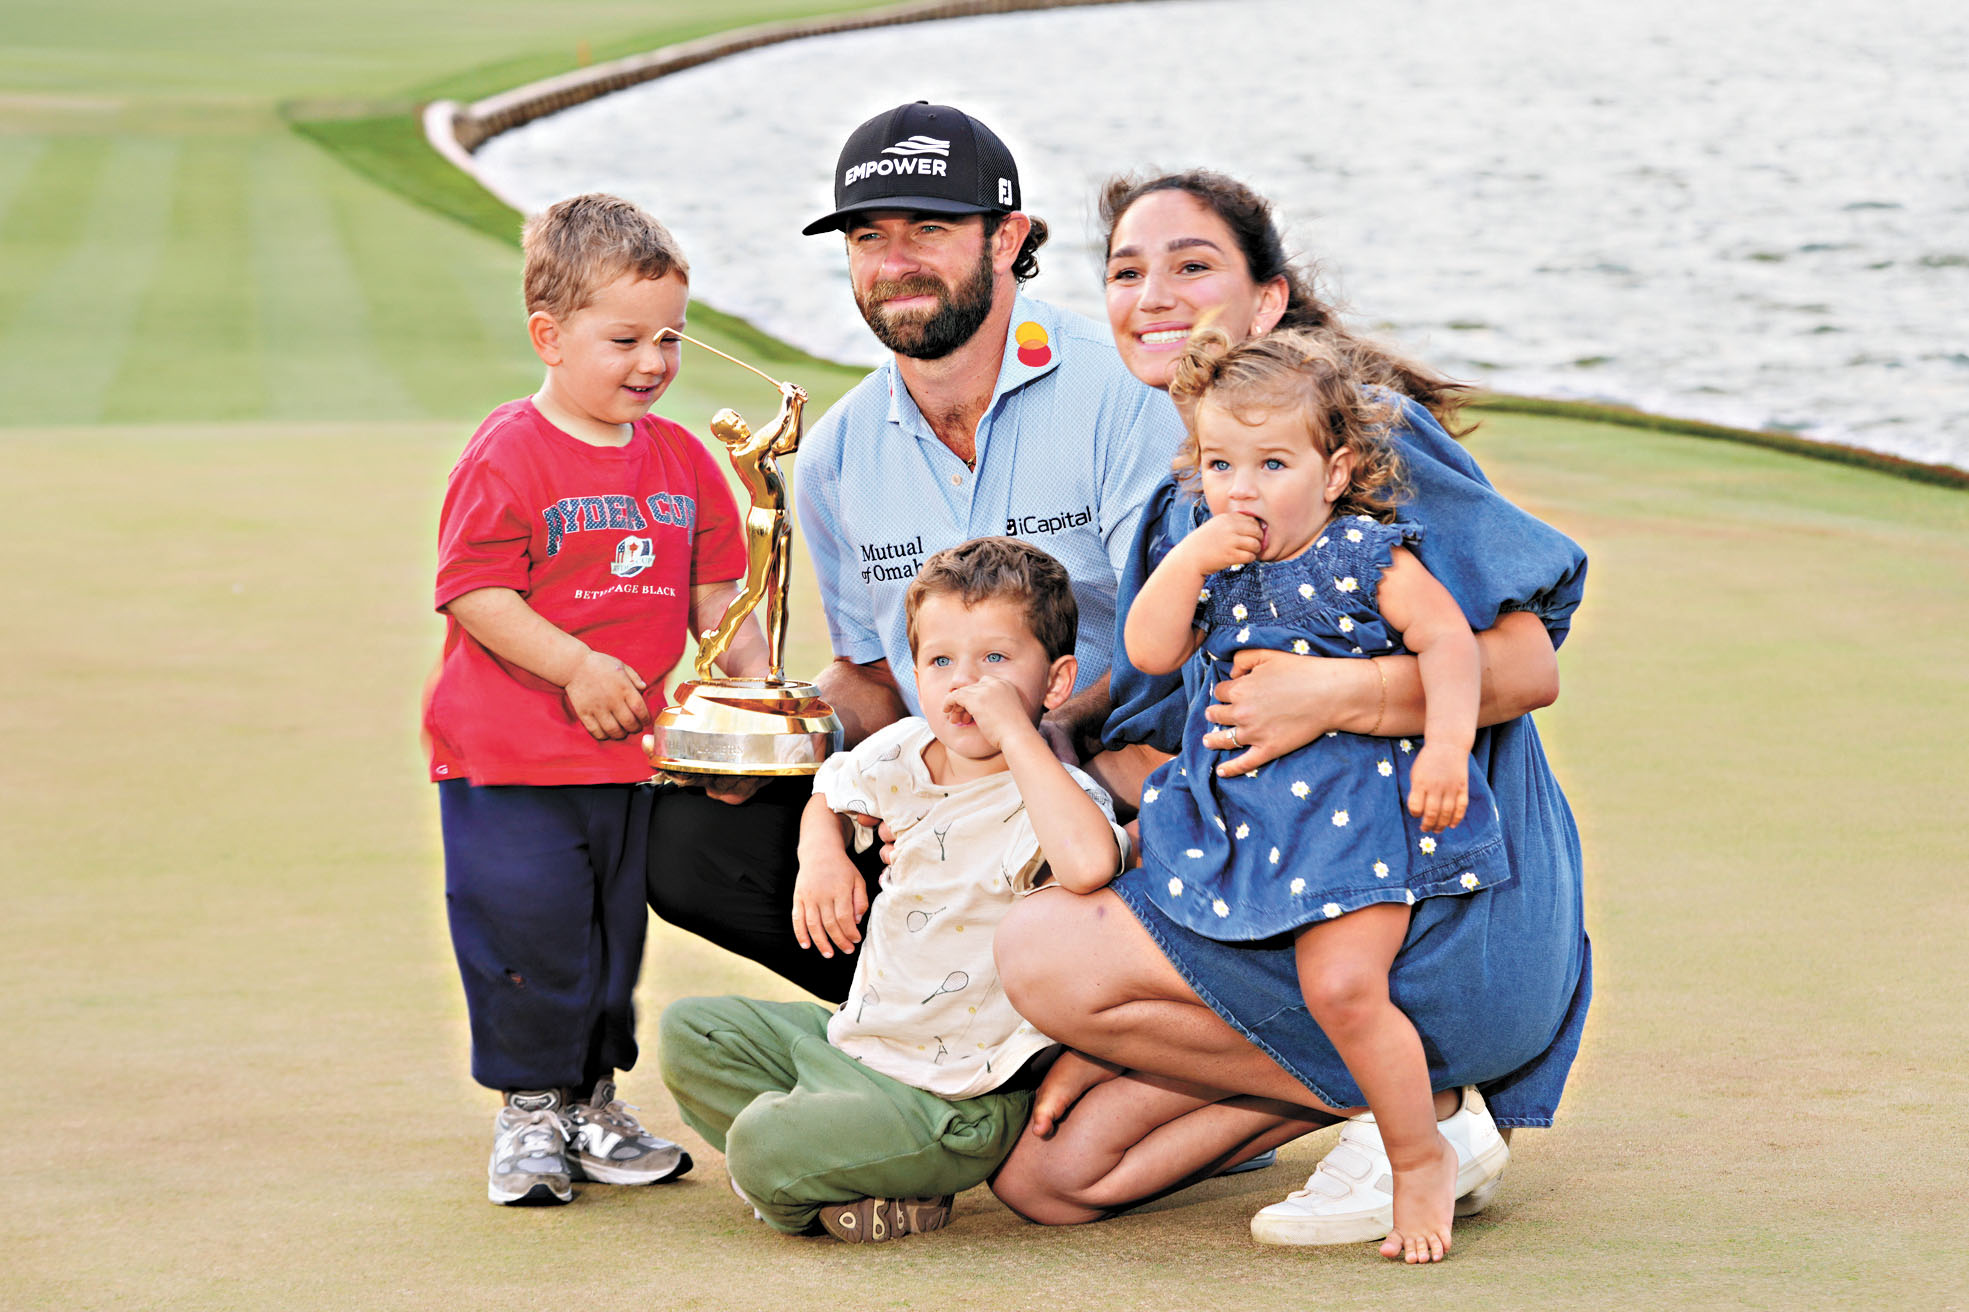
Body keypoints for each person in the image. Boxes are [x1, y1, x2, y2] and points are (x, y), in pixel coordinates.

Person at [989, 171, 1590, 1252]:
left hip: (1430, 904)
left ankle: (1428, 1122)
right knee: (1058, 1173)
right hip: (1278, 882)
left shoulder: (1365, 448)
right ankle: (1381, 1101)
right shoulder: (1198, 499)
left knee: (1043, 951)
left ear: (1268, 301)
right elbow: (1168, 690)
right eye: (1126, 271)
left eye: (1191, 263)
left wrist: (1339, 695)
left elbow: (1522, 663)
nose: (1152, 292)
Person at [646, 103, 1182, 1001]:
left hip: (1102, 772)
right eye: (867, 236)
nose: (893, 263)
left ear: (1008, 238)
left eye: (928, 229)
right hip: (938, 788)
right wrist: (765, 744)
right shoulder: (836, 455)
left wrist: (1041, 743)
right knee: (690, 837)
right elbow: (870, 674)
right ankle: (940, 1032)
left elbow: (1173, 635)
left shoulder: (1124, 394)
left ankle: (1117, 1042)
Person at [1124, 328, 1507, 1262]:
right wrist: (1185, 563)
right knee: (1192, 961)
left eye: (1271, 463)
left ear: (1333, 472)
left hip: (1349, 826)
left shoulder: (1363, 554)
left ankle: (1418, 1158)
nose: (1241, 488)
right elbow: (1147, 652)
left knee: (1341, 984)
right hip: (1242, 828)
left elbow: (1450, 645)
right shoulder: (1212, 562)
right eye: (1219, 463)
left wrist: (1447, 746)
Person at [424, 193, 769, 1206]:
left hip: (629, 761)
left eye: (668, 337)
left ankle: (590, 1099)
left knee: (608, 942)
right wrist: (577, 666)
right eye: (624, 339)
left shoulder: (683, 461)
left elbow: (721, 596)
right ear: (549, 335)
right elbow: (475, 588)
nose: (654, 362)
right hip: (509, 760)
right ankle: (530, 1113)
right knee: (525, 931)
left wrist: (753, 695)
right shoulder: (509, 451)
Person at [658, 538, 1127, 1241]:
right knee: (691, 1032)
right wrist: (822, 854)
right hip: (857, 1044)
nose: (964, 684)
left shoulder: (1057, 799)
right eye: (940, 662)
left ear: (1056, 683)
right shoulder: (901, 748)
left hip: (957, 1099)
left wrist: (1017, 735)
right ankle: (853, 1172)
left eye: (995, 661)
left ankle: (827, 1171)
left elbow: (1090, 864)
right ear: (915, 672)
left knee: (761, 1143)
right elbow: (831, 788)